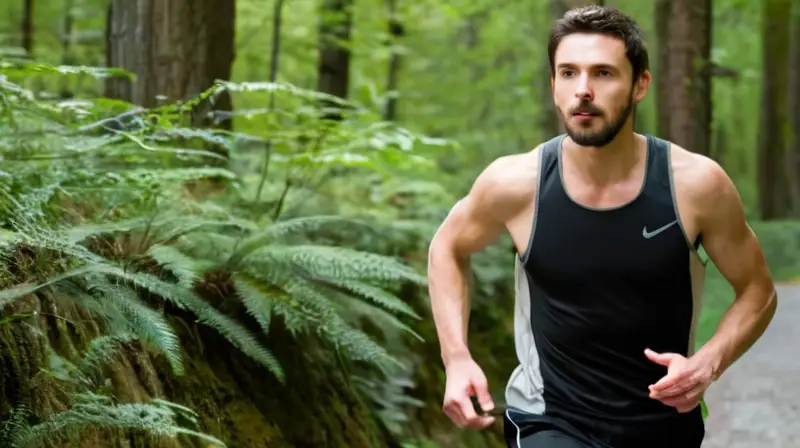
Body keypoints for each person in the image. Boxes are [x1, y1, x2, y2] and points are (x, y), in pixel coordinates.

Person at [426, 5, 778, 448]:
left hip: (663, 424)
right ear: (553, 85)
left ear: (640, 85)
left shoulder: (694, 185)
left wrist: (709, 361)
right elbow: (447, 247)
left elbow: (758, 291)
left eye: (604, 74)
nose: (583, 90)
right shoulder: (517, 184)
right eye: (568, 73)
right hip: (548, 419)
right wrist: (456, 358)